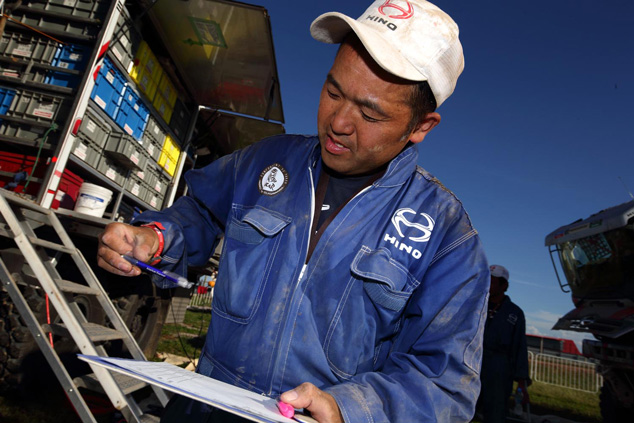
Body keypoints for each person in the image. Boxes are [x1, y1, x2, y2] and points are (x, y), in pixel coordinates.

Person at [97, 1, 490, 422]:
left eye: (370, 112)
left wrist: (348, 409)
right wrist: (155, 238)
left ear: (420, 127)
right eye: (333, 91)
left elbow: (442, 383)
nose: (338, 122)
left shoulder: (447, 237)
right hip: (203, 409)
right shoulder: (265, 160)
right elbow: (203, 211)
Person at [476, 264, 530, 422]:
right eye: (486, 280)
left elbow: (519, 347)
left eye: (492, 282)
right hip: (474, 362)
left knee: (495, 413)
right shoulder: (477, 305)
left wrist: (521, 382)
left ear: (504, 285)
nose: (488, 285)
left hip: (499, 371)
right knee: (460, 408)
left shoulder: (515, 314)